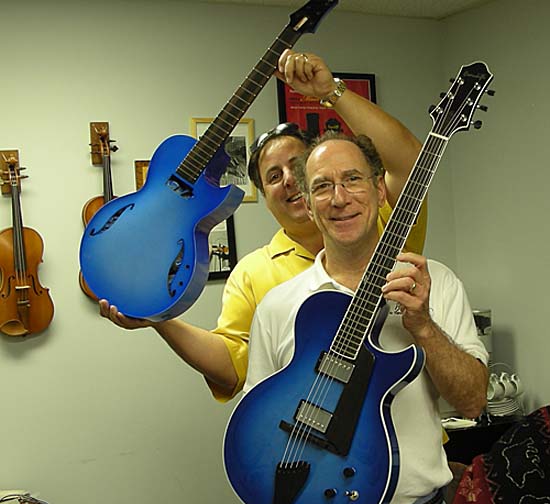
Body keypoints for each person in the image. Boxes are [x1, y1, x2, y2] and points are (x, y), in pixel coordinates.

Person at [99, 49, 426, 402]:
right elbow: (232, 366)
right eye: (273, 176)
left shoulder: (383, 221)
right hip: (321, 450)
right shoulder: (253, 274)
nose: (289, 180)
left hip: (412, 448)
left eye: (297, 167)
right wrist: (158, 320)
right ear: (265, 197)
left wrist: (331, 92)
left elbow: (410, 160)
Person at [243, 132, 489, 504]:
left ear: (379, 189)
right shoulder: (277, 307)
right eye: (323, 186)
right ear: (307, 204)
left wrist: (423, 325)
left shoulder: (435, 283)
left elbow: (473, 403)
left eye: (353, 179)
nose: (340, 198)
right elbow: (256, 429)